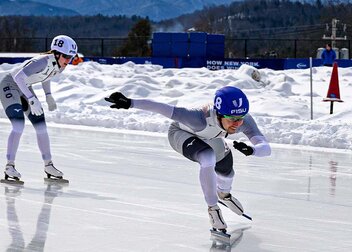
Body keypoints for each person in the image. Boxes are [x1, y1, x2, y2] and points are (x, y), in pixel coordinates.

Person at [105, 85, 271, 232]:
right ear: (219, 114)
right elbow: (161, 108)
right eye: (232, 119)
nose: (237, 124)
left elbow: (266, 148)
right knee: (208, 157)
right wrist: (130, 102)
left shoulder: (244, 120)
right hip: (181, 134)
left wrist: (252, 150)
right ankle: (213, 210)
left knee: (227, 171)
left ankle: (225, 195)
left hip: (211, 137)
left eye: (240, 118)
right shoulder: (196, 118)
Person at [0, 35, 78, 182]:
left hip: (25, 88)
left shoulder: (60, 66)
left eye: (71, 57)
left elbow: (46, 77)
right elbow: (18, 77)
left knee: (41, 126)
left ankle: (48, 165)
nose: (68, 60)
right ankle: (9, 166)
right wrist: (31, 98)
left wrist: (48, 95)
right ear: (56, 53)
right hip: (9, 84)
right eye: (67, 56)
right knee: (18, 125)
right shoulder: (42, 61)